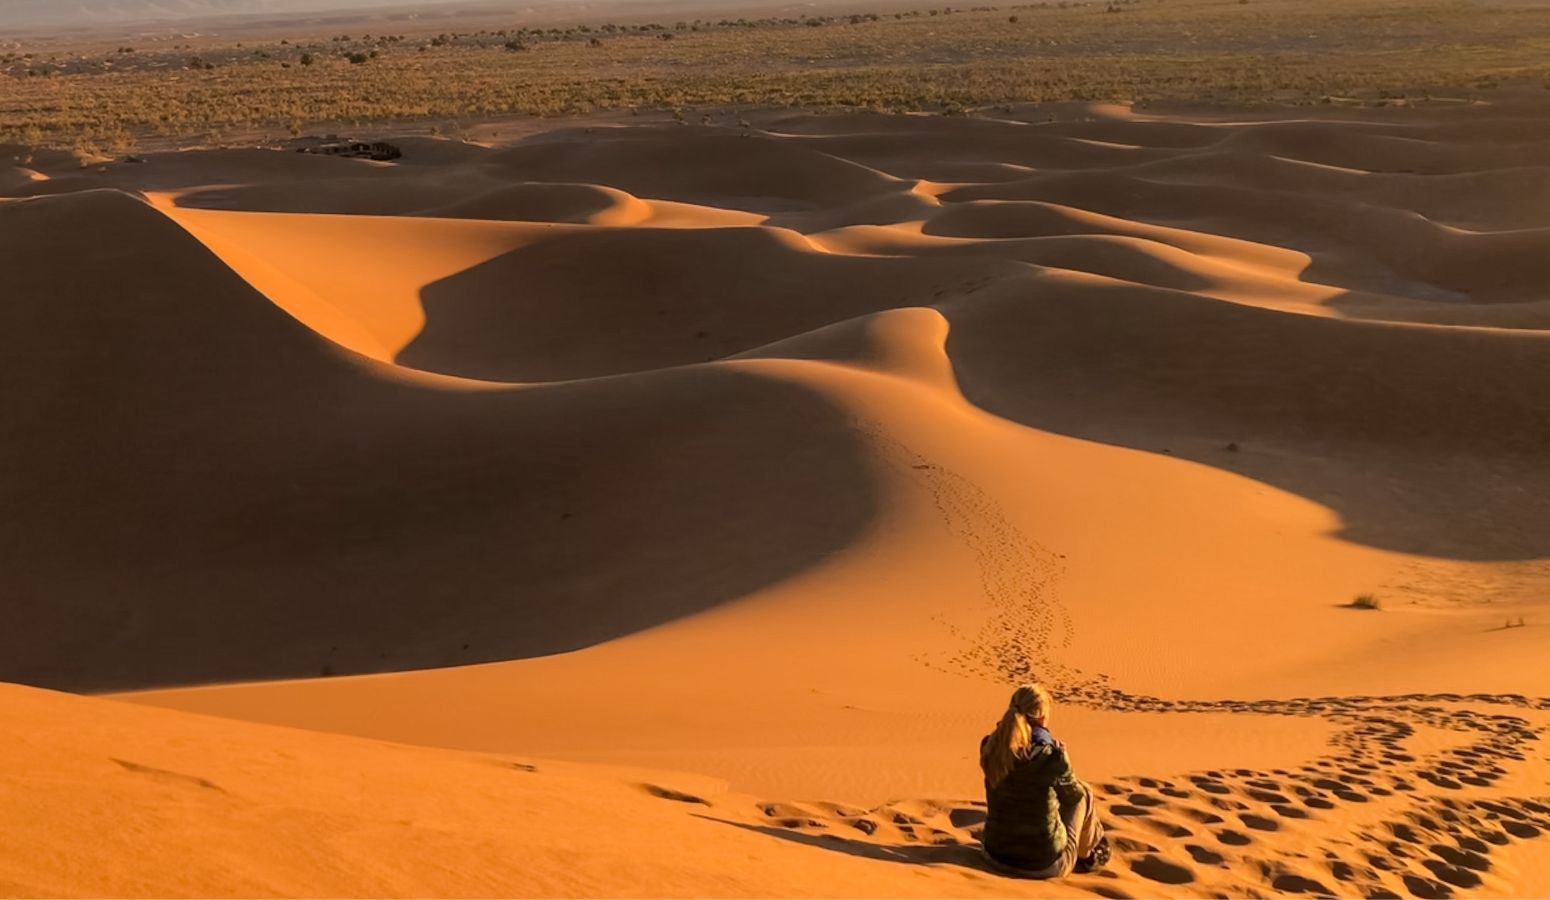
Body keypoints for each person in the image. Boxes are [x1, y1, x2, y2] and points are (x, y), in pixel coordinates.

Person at [979, 683, 1110, 877]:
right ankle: (1088, 856)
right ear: (1042, 718)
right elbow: (1073, 797)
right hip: (1042, 865)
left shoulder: (990, 747)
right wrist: (1064, 760)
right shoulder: (1050, 756)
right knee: (1085, 793)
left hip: (994, 856)